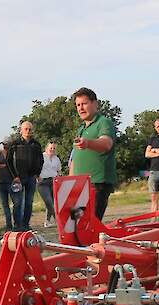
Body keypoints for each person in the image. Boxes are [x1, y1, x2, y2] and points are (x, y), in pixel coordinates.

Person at [69, 87, 117, 220]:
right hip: (80, 185)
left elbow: (106, 143)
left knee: (90, 224)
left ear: (95, 104)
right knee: (77, 224)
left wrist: (88, 143)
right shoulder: (81, 129)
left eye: (84, 103)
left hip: (97, 183)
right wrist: (70, 183)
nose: (80, 108)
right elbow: (75, 159)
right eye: (78, 105)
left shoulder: (103, 123)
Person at [7, 121, 44, 231]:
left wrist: (38, 173)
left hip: (31, 177)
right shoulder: (14, 143)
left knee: (29, 202)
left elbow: (40, 160)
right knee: (17, 203)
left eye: (30, 129)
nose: (28, 131)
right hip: (18, 178)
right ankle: (17, 225)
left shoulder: (36, 144)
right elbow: (9, 161)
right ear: (21, 130)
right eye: (26, 129)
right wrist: (14, 176)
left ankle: (25, 225)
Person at [0, 142, 21, 231]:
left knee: (17, 203)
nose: (5, 148)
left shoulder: (15, 155)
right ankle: (9, 225)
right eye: (4, 146)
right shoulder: (0, 154)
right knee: (5, 205)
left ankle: (17, 223)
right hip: (1, 182)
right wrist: (4, 165)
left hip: (13, 182)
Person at [39, 142, 61, 227]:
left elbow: (58, 170)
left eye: (54, 148)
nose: (52, 150)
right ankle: (58, 220)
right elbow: (36, 167)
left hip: (53, 181)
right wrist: (37, 176)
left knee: (53, 202)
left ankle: (47, 221)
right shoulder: (41, 156)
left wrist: (58, 178)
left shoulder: (56, 159)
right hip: (43, 182)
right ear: (46, 148)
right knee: (48, 201)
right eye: (51, 148)